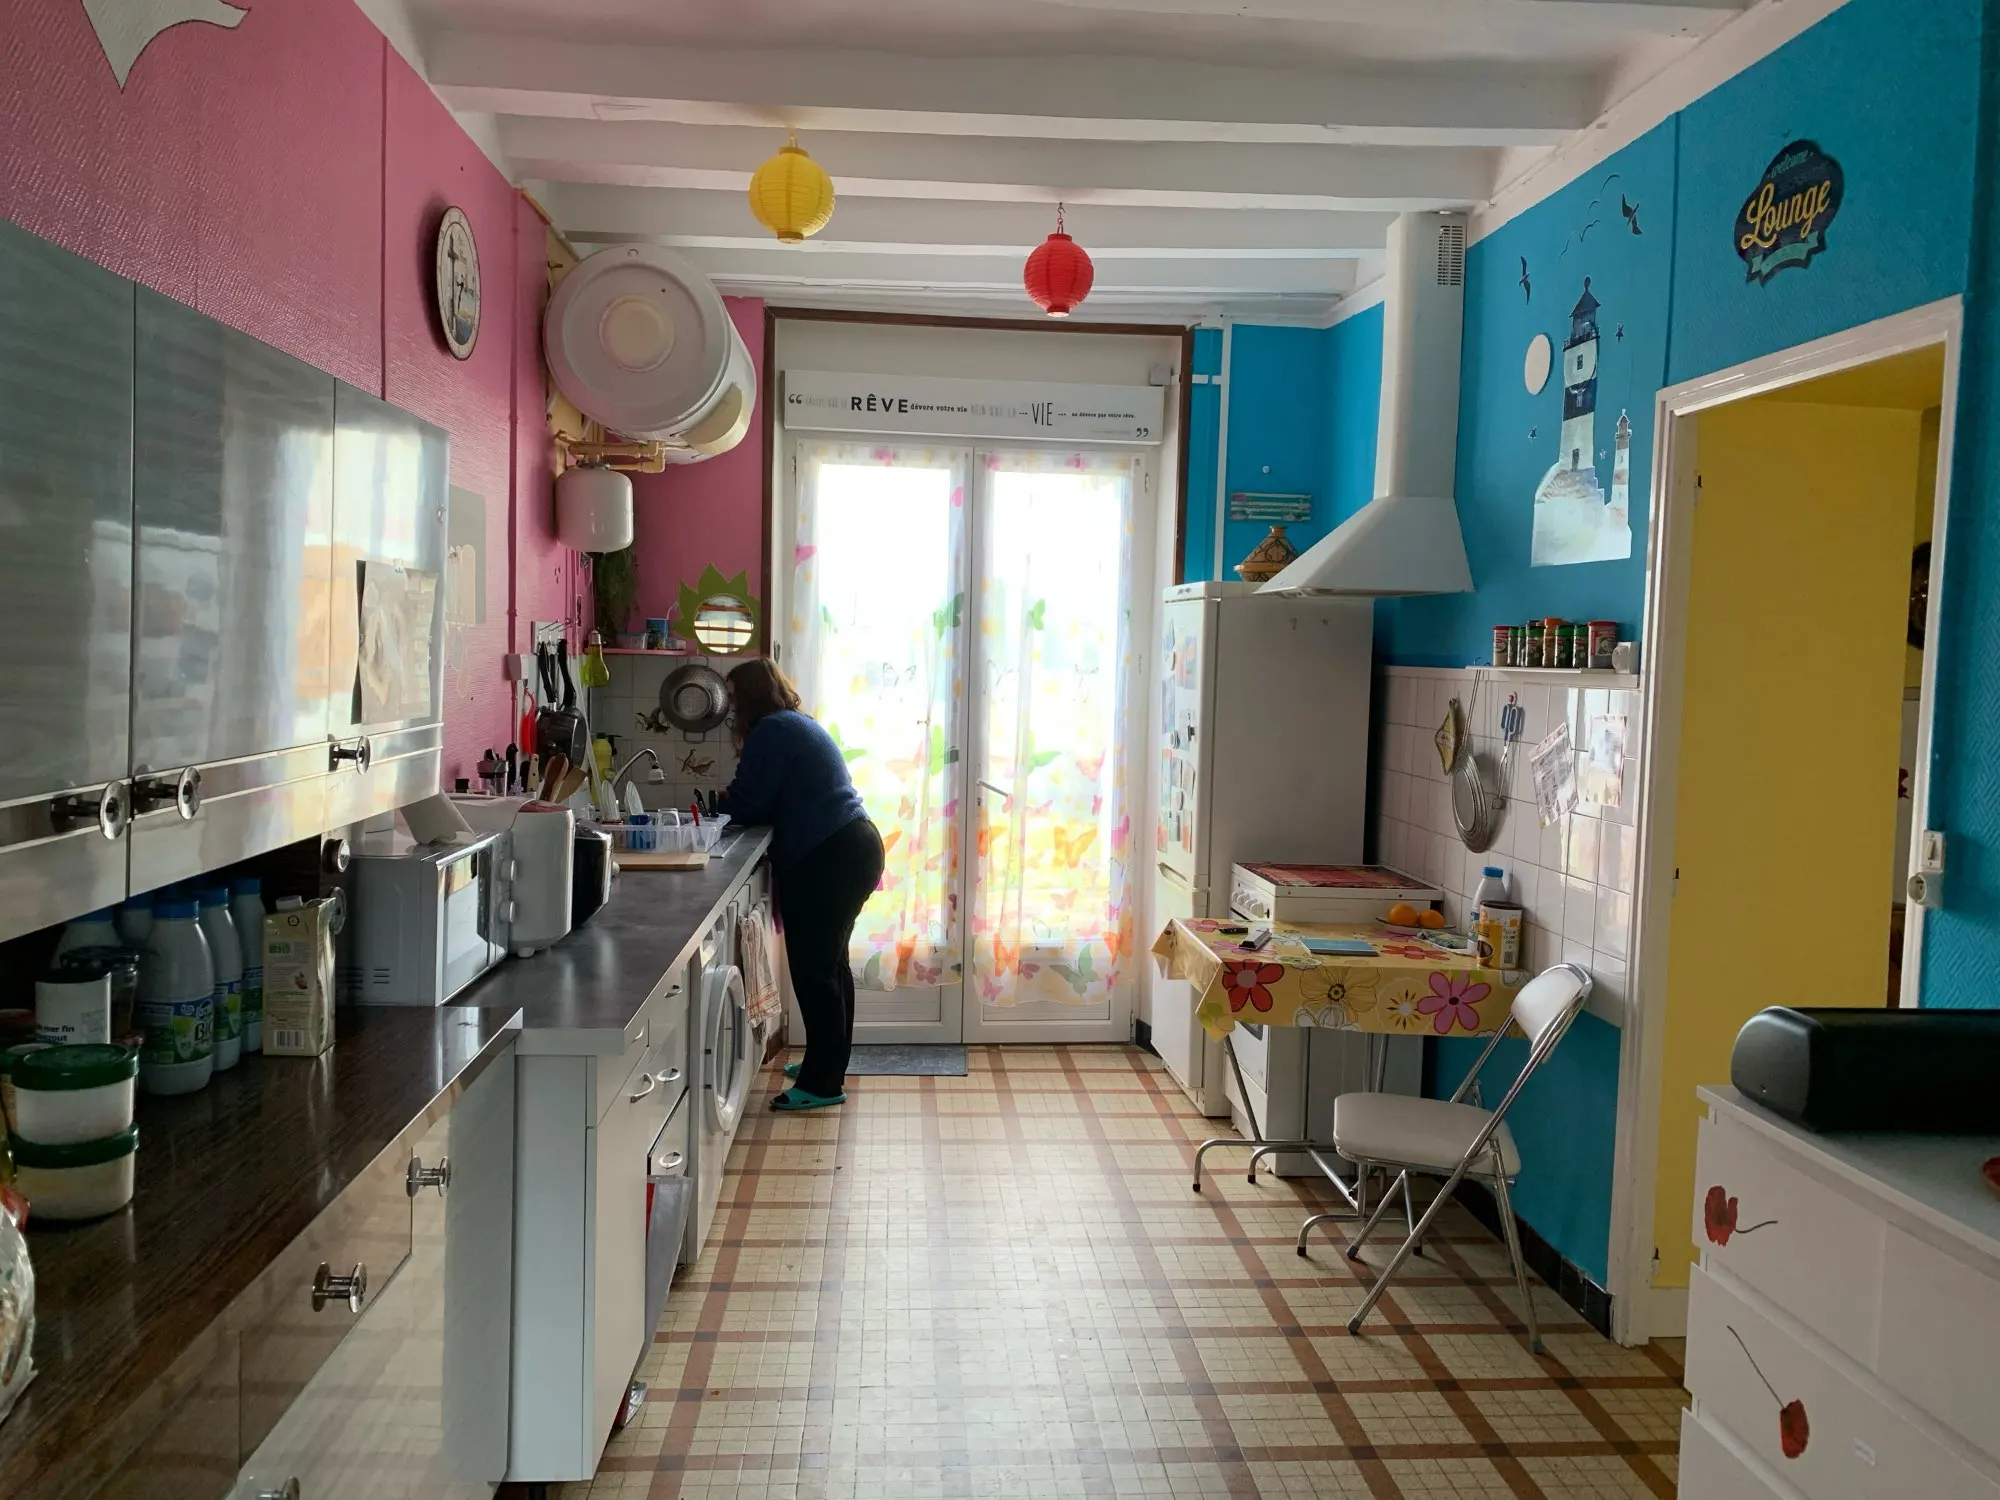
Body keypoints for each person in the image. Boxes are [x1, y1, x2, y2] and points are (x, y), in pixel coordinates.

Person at [715, 658, 885, 1110]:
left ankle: (822, 1082)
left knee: (816, 971)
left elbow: (750, 801)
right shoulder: (794, 724)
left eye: (734, 697)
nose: (731, 708)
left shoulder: (771, 731)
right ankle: (827, 1064)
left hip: (829, 856)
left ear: (750, 696)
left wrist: (718, 808)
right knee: (830, 966)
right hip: (852, 845)